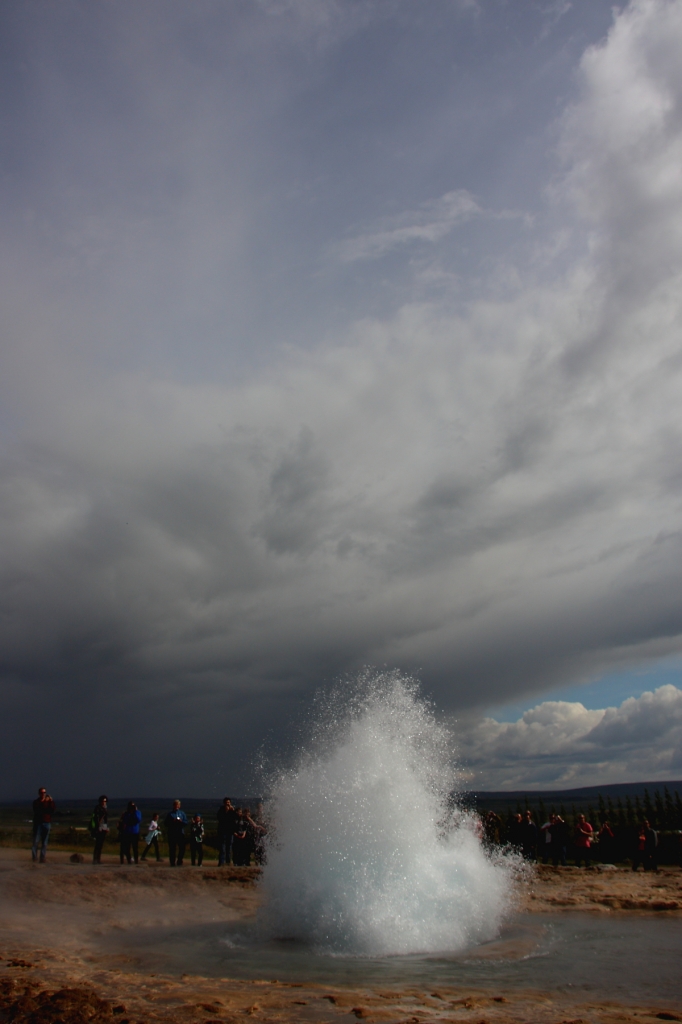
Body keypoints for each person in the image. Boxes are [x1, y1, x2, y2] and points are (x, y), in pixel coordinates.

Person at [32, 787, 55, 863]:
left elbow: (52, 809)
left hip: (46, 822)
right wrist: (44, 802)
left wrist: (50, 801)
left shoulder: (49, 802)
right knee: (36, 841)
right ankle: (34, 857)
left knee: (44, 842)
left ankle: (42, 857)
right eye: (42, 793)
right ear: (39, 793)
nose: (43, 794)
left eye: (44, 792)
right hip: (38, 823)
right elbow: (38, 810)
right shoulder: (36, 802)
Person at [165, 800, 188, 866]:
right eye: (175, 805)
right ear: (173, 805)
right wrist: (173, 821)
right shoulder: (170, 814)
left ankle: (179, 860)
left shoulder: (182, 813)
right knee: (172, 848)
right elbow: (166, 823)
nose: (176, 806)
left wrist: (181, 821)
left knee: (182, 848)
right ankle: (172, 862)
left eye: (178, 805)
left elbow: (186, 822)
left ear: (179, 806)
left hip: (180, 833)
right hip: (172, 833)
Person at [217, 797, 238, 866]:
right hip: (222, 831)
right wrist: (225, 812)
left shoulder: (232, 811)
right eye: (226, 803)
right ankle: (221, 862)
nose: (227, 804)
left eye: (228, 803)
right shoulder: (221, 810)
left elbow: (237, 818)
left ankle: (228, 862)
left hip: (230, 831)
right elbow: (219, 818)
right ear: (224, 803)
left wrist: (233, 811)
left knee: (229, 847)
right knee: (222, 847)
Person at [91, 795, 109, 864]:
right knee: (98, 844)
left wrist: (106, 827)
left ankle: (98, 859)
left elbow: (105, 819)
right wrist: (98, 827)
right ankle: (95, 859)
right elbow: (97, 818)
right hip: (99, 828)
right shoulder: (98, 808)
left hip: (104, 827)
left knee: (100, 845)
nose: (104, 802)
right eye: (103, 801)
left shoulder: (105, 808)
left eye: (105, 801)